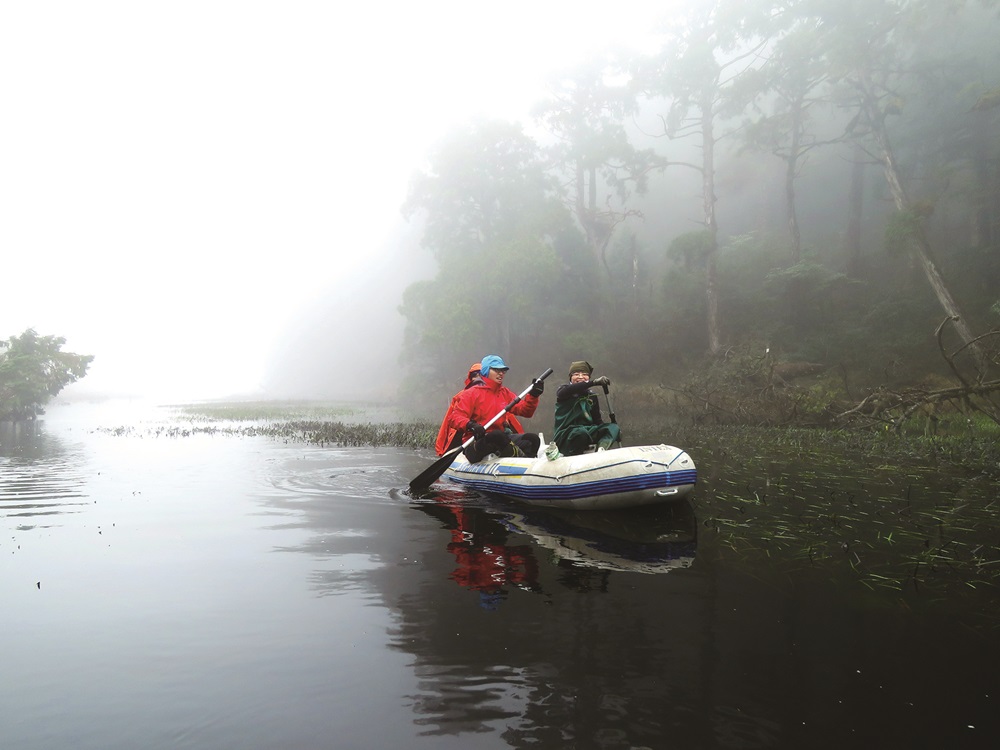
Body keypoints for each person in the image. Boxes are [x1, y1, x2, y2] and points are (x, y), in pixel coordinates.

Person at [448, 355, 543, 463]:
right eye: (496, 370)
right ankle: (522, 460)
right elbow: (454, 418)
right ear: (486, 371)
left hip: (500, 439)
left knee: (532, 439)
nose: (501, 373)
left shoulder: (504, 393)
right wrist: (470, 425)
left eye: (503, 370)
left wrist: (534, 396)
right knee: (496, 435)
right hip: (475, 442)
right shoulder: (470, 393)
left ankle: (526, 468)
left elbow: (526, 411)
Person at [553, 360, 621, 456]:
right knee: (581, 433)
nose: (580, 377)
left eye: (584, 374)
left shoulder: (591, 396)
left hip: (588, 431)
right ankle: (573, 456)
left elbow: (597, 420)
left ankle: (601, 450)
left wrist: (611, 432)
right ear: (570, 377)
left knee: (613, 427)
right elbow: (569, 390)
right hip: (566, 435)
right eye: (576, 374)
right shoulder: (563, 391)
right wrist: (593, 382)